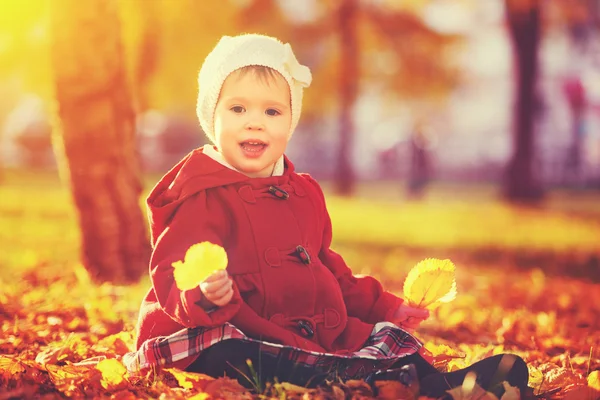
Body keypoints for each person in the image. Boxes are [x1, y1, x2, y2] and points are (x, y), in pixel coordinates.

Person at [124, 34, 529, 398]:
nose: (254, 121)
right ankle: (356, 385)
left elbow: (328, 269)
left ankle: (435, 384)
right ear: (212, 118)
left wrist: (384, 307)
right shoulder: (201, 193)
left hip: (305, 334)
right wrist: (203, 293)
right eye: (237, 108)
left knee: (380, 337)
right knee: (228, 351)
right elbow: (171, 270)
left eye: (272, 112)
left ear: (290, 121)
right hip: (231, 327)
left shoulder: (303, 193)